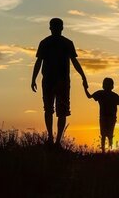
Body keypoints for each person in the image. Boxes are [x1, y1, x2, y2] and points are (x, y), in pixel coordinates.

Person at [31, 18, 87, 147]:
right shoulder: (45, 43)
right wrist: (33, 78)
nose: (55, 29)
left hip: (61, 82)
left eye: (56, 26)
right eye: (54, 26)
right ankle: (52, 139)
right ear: (51, 28)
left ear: (61, 28)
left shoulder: (66, 43)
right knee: (51, 110)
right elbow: (39, 62)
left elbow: (74, 61)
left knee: (60, 111)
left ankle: (56, 141)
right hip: (51, 81)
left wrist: (83, 76)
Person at [84, 77, 119, 152]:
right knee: (109, 135)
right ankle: (109, 151)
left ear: (103, 85)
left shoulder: (100, 93)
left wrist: (85, 88)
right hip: (110, 117)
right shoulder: (114, 95)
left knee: (104, 135)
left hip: (104, 117)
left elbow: (89, 96)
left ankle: (104, 151)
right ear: (112, 86)